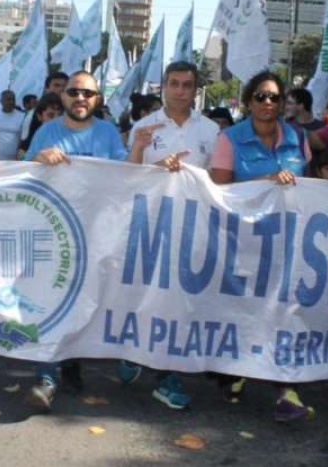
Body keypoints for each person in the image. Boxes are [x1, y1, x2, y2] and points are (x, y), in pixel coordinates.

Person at [210, 70, 311, 423]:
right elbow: (219, 190)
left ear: (283, 103)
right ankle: (235, 370)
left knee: (284, 311)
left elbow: (312, 186)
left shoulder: (298, 138)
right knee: (246, 310)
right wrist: (264, 183)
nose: (268, 103)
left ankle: (285, 388)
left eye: (274, 97)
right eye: (260, 97)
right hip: (244, 239)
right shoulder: (230, 139)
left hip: (289, 240)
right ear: (249, 101)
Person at [24, 71, 127, 412]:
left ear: (97, 100)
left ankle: (72, 362)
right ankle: (46, 376)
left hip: (96, 235)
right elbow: (20, 176)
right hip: (54, 234)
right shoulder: (46, 132)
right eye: (74, 92)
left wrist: (144, 153)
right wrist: (38, 159)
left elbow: (128, 176)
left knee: (86, 303)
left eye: (88, 93)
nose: (81, 98)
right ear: (63, 97)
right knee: (51, 303)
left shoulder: (109, 134)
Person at [119, 61, 220, 410]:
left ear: (196, 90)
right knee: (144, 294)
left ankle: (165, 372)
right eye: (174, 83)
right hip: (149, 223)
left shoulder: (210, 130)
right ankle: (135, 352)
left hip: (193, 227)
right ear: (163, 86)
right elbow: (126, 177)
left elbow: (220, 182)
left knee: (178, 301)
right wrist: (152, 166)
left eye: (187, 85)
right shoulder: (144, 127)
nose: (180, 90)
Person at [17, 92, 63, 157]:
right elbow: (23, 162)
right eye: (50, 115)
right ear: (39, 116)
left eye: (60, 116)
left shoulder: (71, 140)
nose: (56, 120)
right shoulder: (26, 147)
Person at [0, 90, 25, 160]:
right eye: (8, 99)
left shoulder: (22, 117)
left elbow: (24, 138)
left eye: (13, 99)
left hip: (15, 160)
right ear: (1, 101)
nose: (11, 102)